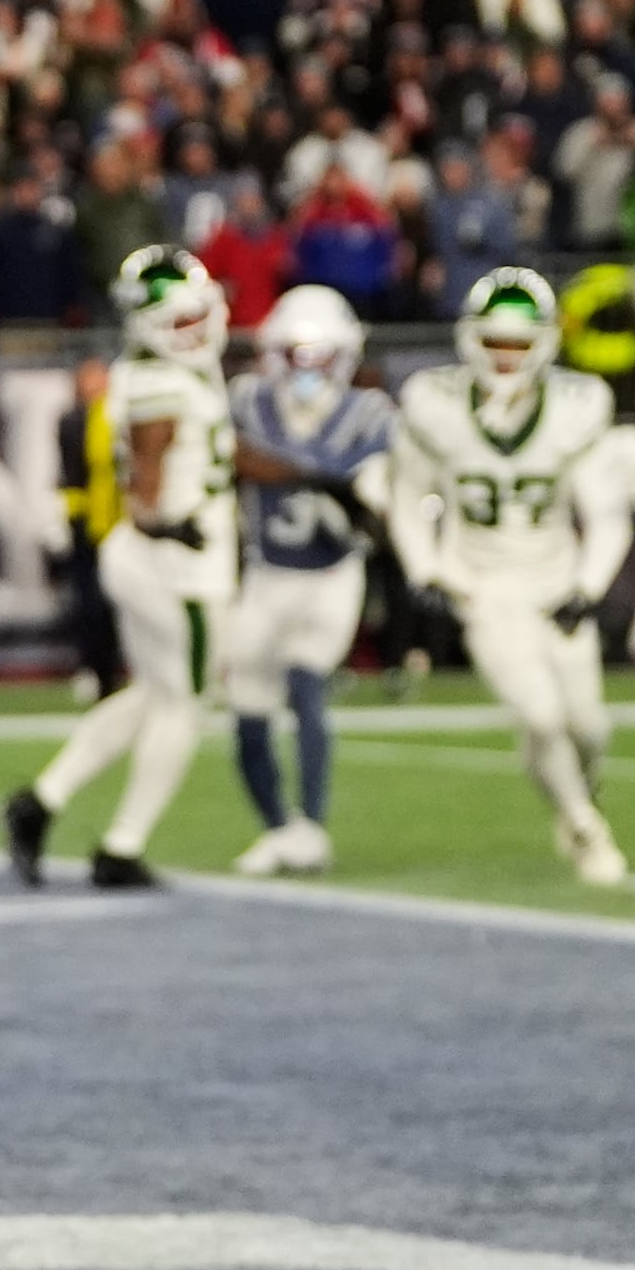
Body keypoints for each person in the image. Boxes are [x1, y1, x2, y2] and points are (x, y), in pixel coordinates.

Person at [389, 268, 635, 885]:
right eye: (495, 342)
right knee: (540, 717)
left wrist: (588, 588)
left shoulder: (575, 409)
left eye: (518, 343)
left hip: (555, 583)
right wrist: (425, 570)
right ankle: (586, 830)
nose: (506, 356)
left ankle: (575, 798)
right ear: (469, 339)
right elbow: (407, 498)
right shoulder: (435, 406)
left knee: (589, 728)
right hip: (480, 586)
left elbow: (607, 515)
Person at [1, 245, 236, 889]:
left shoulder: (143, 370)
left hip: (143, 559)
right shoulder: (162, 384)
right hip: (178, 567)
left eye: (197, 317)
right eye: (178, 322)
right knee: (184, 706)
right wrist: (168, 525)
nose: (193, 331)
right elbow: (147, 486)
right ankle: (121, 846)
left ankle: (39, 802)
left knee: (155, 695)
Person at [225, 287, 396, 877]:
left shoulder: (369, 413)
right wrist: (317, 477)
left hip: (331, 574)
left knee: (305, 683)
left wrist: (366, 501)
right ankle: (280, 828)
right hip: (266, 574)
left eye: (321, 355)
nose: (308, 368)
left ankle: (313, 825)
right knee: (247, 710)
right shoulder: (248, 401)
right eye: (296, 354)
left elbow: (381, 499)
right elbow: (229, 455)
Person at [52, 354, 125, 703]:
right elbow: (71, 475)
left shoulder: (120, 415)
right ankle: (94, 670)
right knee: (91, 606)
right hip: (90, 529)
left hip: (125, 525)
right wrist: (70, 521)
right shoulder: (73, 422)